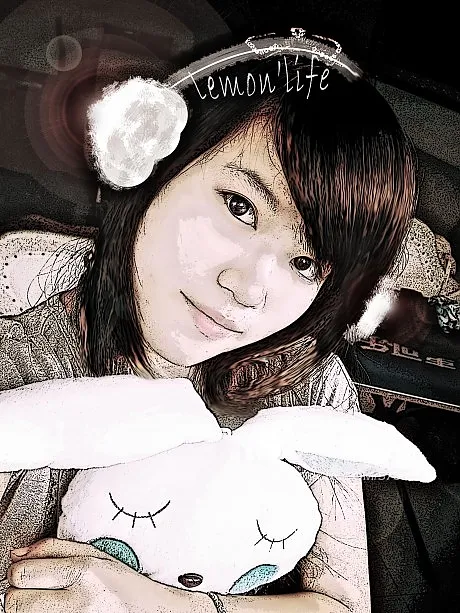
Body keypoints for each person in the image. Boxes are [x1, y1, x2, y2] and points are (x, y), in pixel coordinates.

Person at [0, 32, 417, 613]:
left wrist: (147, 602)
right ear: (152, 160)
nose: (247, 290)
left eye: (305, 264)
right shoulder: (20, 339)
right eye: (241, 207)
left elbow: (341, 605)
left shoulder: (309, 387)